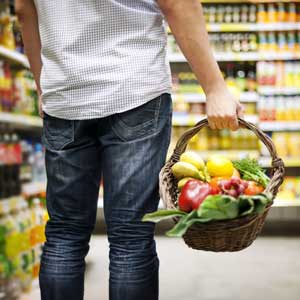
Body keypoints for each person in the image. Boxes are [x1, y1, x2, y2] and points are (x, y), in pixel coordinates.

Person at [15, 0, 243, 299]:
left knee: (64, 234)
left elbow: (23, 9)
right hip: (133, 90)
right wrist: (214, 87)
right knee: (130, 237)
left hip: (65, 97)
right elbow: (177, 3)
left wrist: (45, 86)